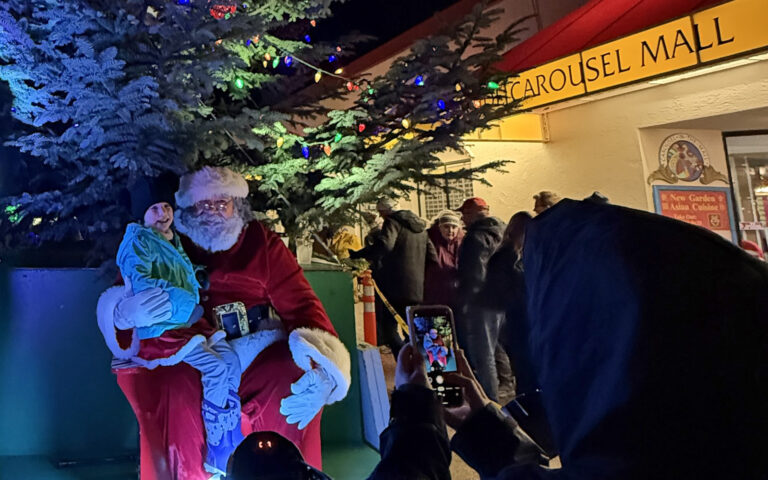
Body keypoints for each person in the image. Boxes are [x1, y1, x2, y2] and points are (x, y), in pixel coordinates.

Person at [97, 166, 351, 479]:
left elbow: (301, 304)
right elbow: (126, 287)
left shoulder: (261, 243)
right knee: (175, 387)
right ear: (187, 207)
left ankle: (277, 474)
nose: (213, 211)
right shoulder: (164, 240)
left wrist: (324, 370)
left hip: (254, 349)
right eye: (204, 204)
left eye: (222, 203)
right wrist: (123, 313)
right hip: (190, 348)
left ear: (237, 205)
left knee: (288, 377)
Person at [116, 174, 243, 475]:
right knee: (215, 367)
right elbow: (144, 283)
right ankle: (217, 444)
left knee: (230, 360)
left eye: (166, 206)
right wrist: (184, 301)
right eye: (154, 209)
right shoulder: (138, 242)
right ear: (142, 215)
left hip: (187, 322)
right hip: (161, 329)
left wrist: (195, 276)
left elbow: (177, 270)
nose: (163, 213)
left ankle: (228, 424)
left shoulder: (170, 238)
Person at [350, 197, 434, 357]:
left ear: (386, 211)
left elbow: (385, 245)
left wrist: (359, 254)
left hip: (395, 287)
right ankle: (424, 362)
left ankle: (404, 359)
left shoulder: (392, 222)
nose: (381, 217)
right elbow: (432, 257)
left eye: (381, 213)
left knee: (389, 328)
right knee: (415, 329)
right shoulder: (421, 228)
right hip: (418, 288)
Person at [455, 197, 506, 400]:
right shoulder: (503, 232)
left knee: (484, 354)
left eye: (465, 214)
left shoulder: (474, 238)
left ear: (474, 213)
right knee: (498, 349)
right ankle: (507, 388)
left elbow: (474, 274)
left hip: (481, 302)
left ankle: (489, 401)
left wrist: (467, 300)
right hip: (502, 298)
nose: (462, 219)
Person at [423, 210, 464, 310]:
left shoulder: (462, 243)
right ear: (439, 227)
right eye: (446, 227)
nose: (450, 230)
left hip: (456, 294)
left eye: (454, 227)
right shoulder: (431, 241)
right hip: (435, 293)